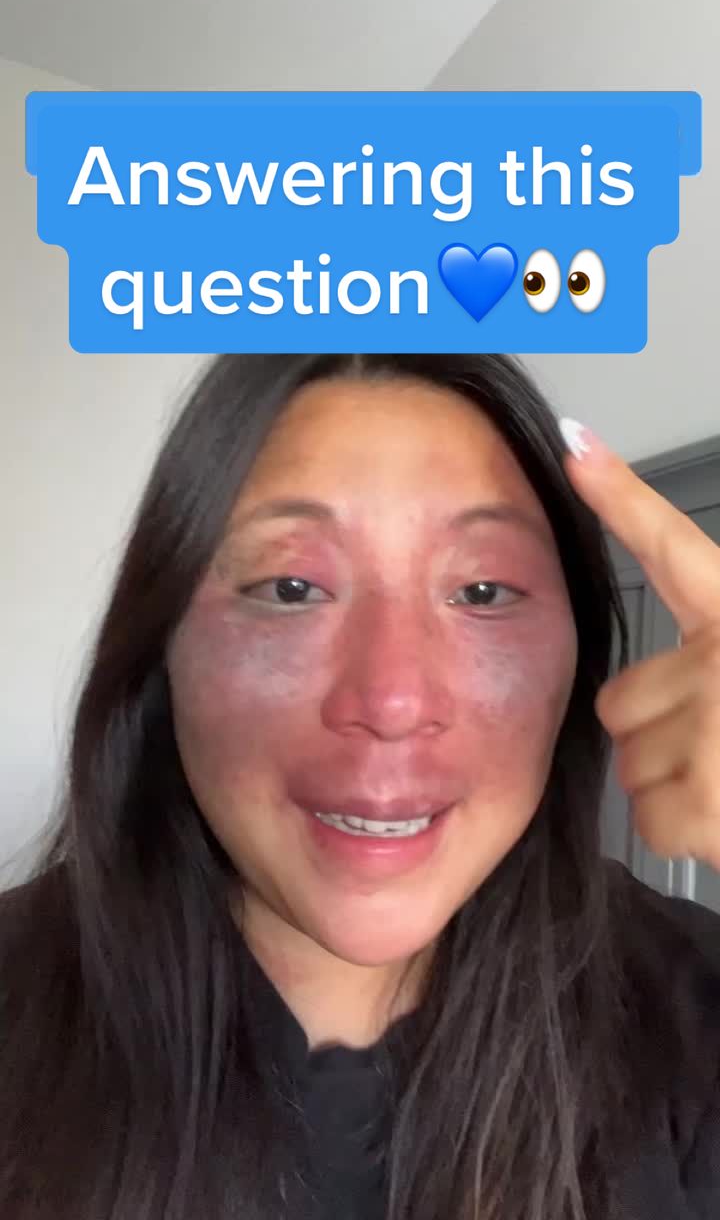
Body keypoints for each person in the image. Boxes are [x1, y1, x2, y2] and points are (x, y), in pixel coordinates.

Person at [1, 352, 719, 1220]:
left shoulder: (693, 1015)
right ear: (160, 652)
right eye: (291, 588)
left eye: (482, 589)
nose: (390, 701)